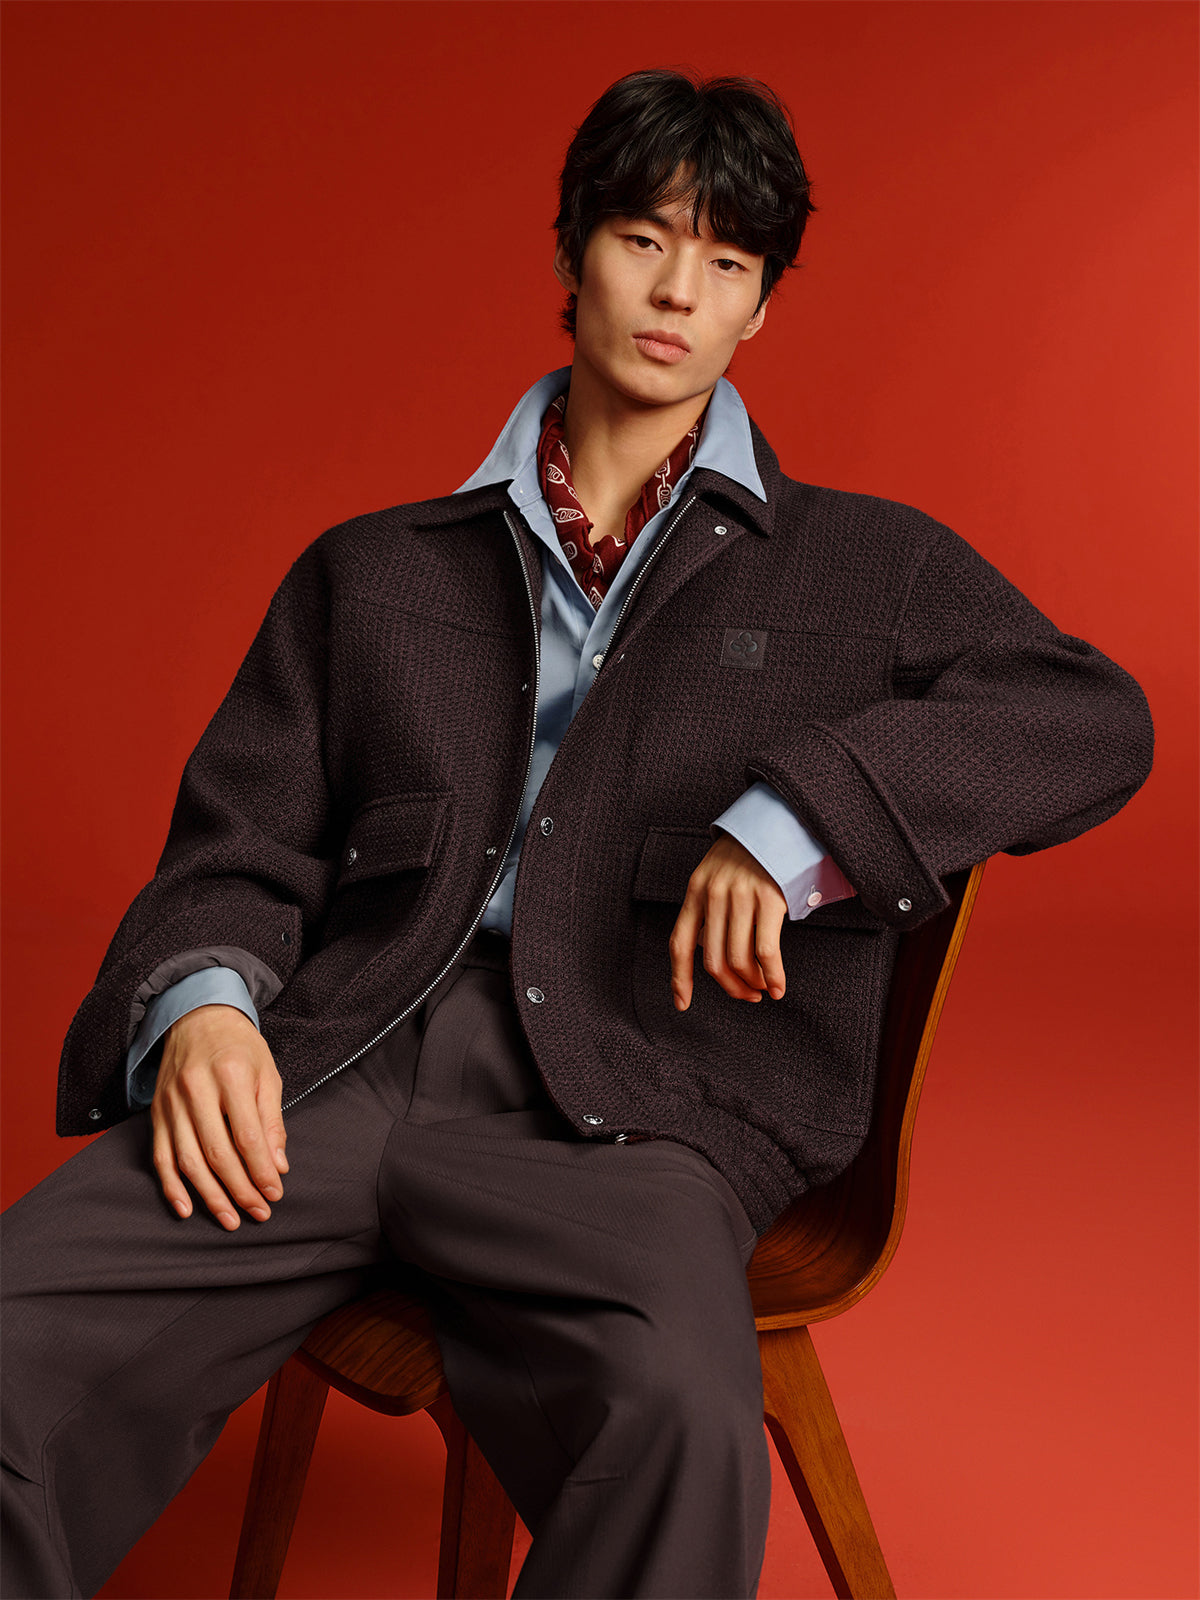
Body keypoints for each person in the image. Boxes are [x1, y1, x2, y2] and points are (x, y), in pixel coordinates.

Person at [1, 67, 1153, 1600]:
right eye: (643, 239)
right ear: (572, 253)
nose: (678, 292)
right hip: (338, 1070)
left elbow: (1092, 717)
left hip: (639, 1104)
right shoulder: (372, 573)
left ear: (762, 308)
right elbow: (239, 840)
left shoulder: (865, 567)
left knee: (682, 1432)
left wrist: (798, 816)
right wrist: (204, 1005)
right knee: (15, 1336)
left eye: (727, 261)